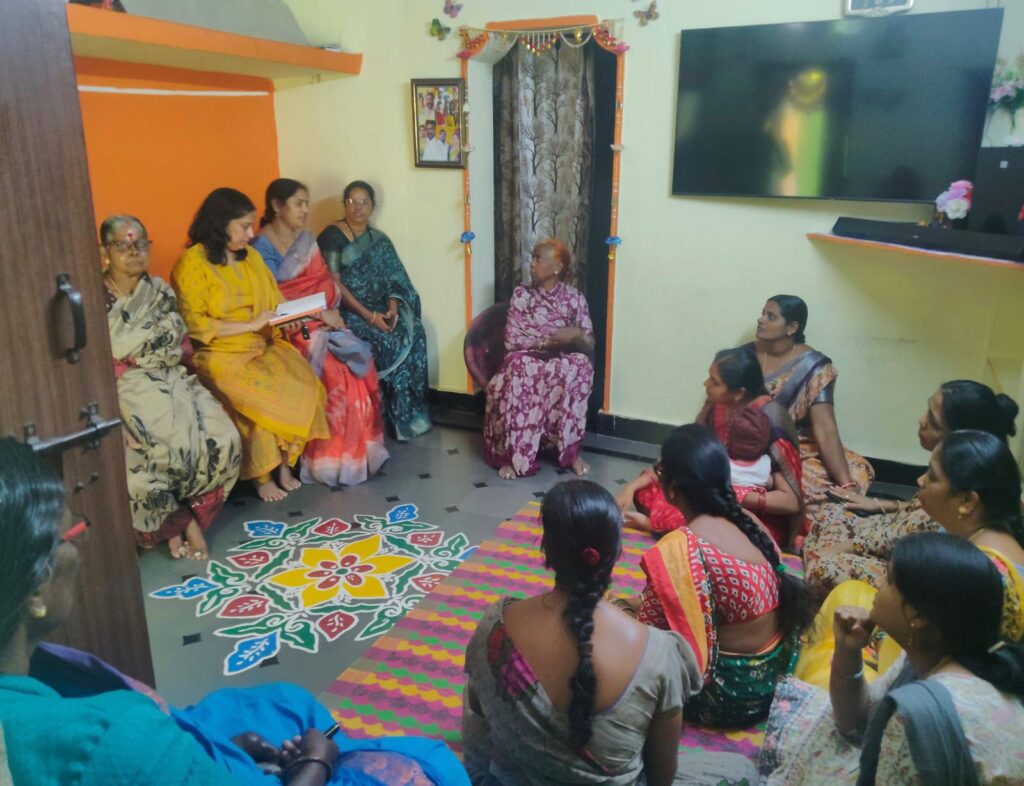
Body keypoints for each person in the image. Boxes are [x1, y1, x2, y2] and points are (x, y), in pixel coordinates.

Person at [0, 437, 469, 785]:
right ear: (35, 587)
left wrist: (221, 749)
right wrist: (317, 761)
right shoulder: (113, 739)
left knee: (284, 700)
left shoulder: (38, 687)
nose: (79, 546)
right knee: (429, 764)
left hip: (192, 746)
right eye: (72, 531)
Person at [462, 480, 703, 785]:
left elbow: (478, 708)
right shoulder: (659, 653)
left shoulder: (494, 627)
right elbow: (661, 777)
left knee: (476, 679)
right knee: (738, 770)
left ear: (547, 552)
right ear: (615, 554)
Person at [759, 533, 1024, 785]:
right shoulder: (944, 654)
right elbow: (854, 722)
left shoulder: (914, 715)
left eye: (887, 580)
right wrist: (847, 650)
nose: (875, 585)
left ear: (918, 616)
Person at [795, 428, 1024, 688]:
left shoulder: (976, 573)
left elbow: (933, 656)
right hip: (927, 653)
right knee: (847, 594)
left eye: (933, 477)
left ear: (967, 501)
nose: (919, 481)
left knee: (829, 662)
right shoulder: (980, 539)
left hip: (939, 687)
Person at [624, 424, 813, 728]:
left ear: (672, 489)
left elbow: (649, 634)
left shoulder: (681, 548)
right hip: (775, 673)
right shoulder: (749, 520)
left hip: (731, 695)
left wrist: (617, 611)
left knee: (612, 627)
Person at [171, 188, 329, 503]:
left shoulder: (251, 258)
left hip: (263, 344)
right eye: (243, 226)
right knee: (261, 395)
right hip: (219, 354)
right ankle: (261, 475)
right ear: (220, 224)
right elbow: (196, 325)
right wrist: (249, 325)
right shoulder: (192, 263)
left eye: (251, 225)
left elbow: (276, 302)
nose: (251, 233)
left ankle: (285, 464)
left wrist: (292, 318)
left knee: (303, 382)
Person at [99, 214, 241, 560]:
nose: (134, 252)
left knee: (226, 439)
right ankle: (182, 526)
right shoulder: (92, 299)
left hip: (173, 378)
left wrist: (197, 388)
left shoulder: (159, 291)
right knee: (160, 450)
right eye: (123, 245)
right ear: (105, 253)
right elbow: (92, 366)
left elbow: (181, 348)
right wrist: (109, 416)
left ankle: (187, 520)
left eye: (141, 244)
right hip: (124, 389)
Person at [802, 381, 1019, 598]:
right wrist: (885, 504)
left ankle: (812, 567)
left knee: (827, 567)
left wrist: (836, 551)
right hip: (901, 551)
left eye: (933, 422)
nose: (921, 421)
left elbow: (897, 543)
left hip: (903, 563)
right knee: (833, 511)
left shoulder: (985, 573)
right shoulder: (969, 494)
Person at [252, 179, 388, 487]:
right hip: (288, 328)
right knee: (335, 372)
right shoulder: (260, 248)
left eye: (306, 204)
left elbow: (325, 282)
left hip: (322, 319)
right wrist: (316, 315)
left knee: (360, 362)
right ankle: (328, 462)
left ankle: (359, 455)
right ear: (276, 205)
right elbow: (274, 299)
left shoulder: (307, 240)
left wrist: (330, 312)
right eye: (298, 204)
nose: (304, 210)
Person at [618, 347, 804, 548]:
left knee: (724, 525)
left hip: (750, 511)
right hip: (709, 493)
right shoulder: (717, 404)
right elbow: (685, 450)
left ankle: (659, 526)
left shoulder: (771, 419)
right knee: (649, 489)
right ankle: (682, 529)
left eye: (714, 382)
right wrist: (633, 486)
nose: (706, 384)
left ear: (739, 392)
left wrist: (733, 496)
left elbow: (790, 502)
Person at [316, 181, 432, 442]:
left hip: (381, 309)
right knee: (387, 341)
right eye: (352, 201)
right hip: (349, 312)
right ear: (344, 204)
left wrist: (391, 308)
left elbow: (395, 279)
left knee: (417, 333)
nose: (358, 208)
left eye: (364, 202)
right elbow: (333, 283)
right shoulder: (331, 236)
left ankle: (411, 414)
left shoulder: (379, 239)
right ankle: (390, 418)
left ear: (373, 207)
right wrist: (370, 316)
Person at [750, 295, 873, 517]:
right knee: (805, 489)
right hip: (750, 444)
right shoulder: (745, 357)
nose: (761, 320)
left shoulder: (814, 367)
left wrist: (846, 486)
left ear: (792, 328)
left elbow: (825, 428)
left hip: (798, 447)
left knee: (858, 470)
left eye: (770, 316)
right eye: (762, 314)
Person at [483, 239, 595, 480]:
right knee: (524, 368)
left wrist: (576, 335)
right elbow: (512, 340)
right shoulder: (522, 294)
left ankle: (572, 452)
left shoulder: (574, 298)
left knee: (581, 366)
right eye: (532, 258)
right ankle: (514, 456)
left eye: (538, 259)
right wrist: (549, 342)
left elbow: (589, 344)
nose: (531, 264)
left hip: (560, 359)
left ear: (556, 268)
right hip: (526, 358)